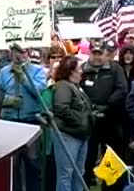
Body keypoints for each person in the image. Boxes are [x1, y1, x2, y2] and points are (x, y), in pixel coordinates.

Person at [0, 43, 47, 191]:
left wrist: (23, 78)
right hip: (9, 122)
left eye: (22, 52)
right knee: (13, 165)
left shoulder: (37, 70)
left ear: (28, 53)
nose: (19, 55)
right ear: (11, 53)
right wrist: (8, 100)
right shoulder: (4, 72)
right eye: (16, 52)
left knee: (33, 163)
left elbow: (39, 93)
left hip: (31, 122)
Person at [81, 40, 128, 190]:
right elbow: (77, 90)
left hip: (111, 120)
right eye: (94, 53)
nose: (97, 57)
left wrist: (107, 105)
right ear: (89, 53)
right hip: (90, 120)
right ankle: (86, 183)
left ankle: (110, 187)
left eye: (100, 53)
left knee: (111, 156)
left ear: (105, 53)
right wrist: (90, 107)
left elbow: (122, 89)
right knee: (88, 156)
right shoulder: (83, 69)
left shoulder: (115, 69)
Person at [52, 56, 92, 191]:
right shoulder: (63, 86)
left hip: (81, 136)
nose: (82, 71)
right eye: (79, 68)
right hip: (68, 135)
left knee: (79, 173)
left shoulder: (76, 87)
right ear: (71, 71)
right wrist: (81, 121)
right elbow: (61, 108)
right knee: (66, 174)